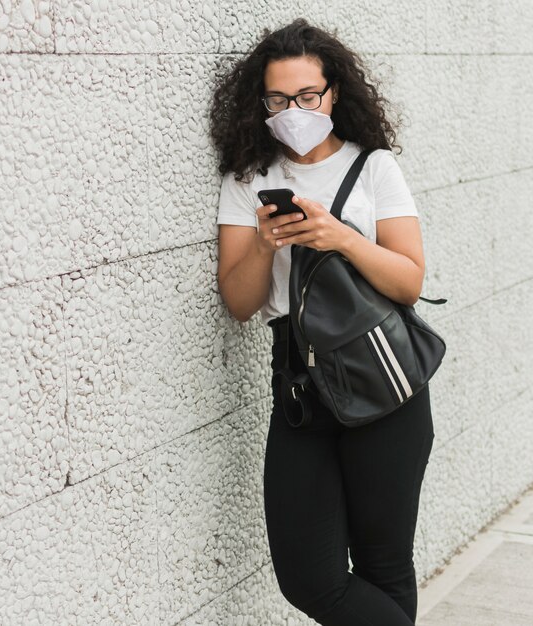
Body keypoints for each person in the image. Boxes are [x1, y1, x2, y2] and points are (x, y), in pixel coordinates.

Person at [209, 18, 435, 626]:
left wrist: (340, 238)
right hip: (301, 392)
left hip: (382, 382)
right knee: (310, 579)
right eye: (279, 99)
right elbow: (239, 302)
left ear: (333, 92)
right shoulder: (248, 180)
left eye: (307, 96)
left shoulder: (374, 169)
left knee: (385, 566)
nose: (294, 109)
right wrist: (263, 245)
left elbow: (410, 280)